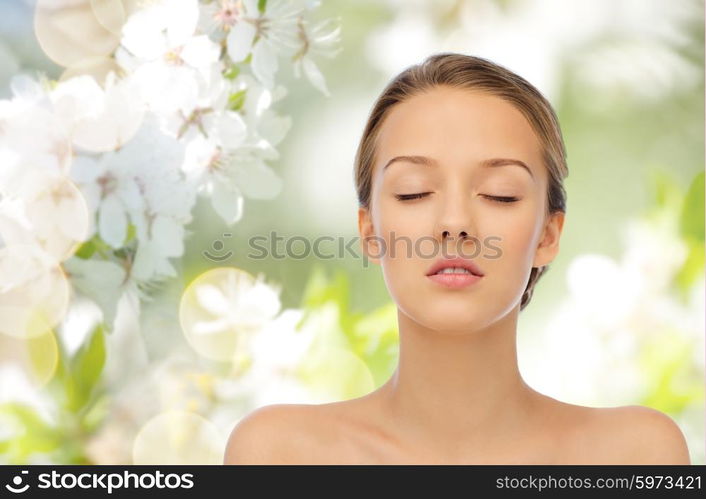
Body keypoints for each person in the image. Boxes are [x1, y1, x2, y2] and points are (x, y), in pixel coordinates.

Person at [223, 53, 691, 464]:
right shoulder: (279, 454)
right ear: (370, 232)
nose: (454, 223)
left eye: (499, 195)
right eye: (414, 191)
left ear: (548, 235)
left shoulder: (635, 454)